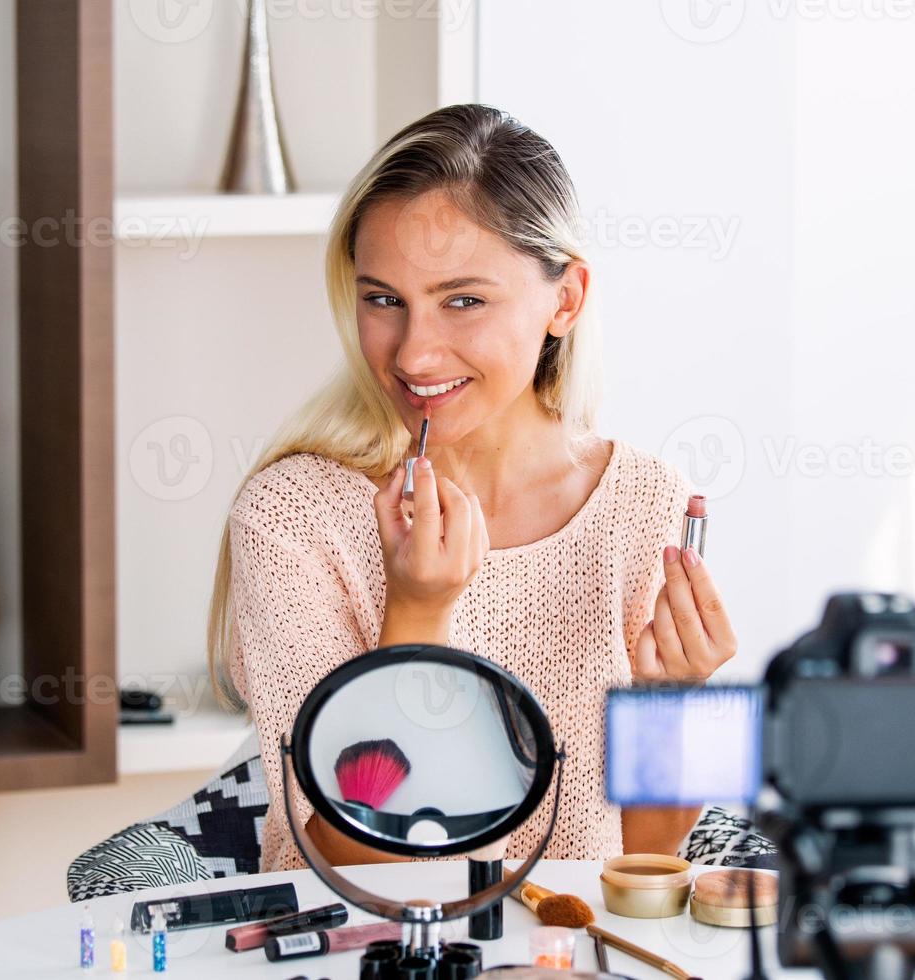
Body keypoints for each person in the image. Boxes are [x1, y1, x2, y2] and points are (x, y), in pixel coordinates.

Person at [206, 104, 737, 871]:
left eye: (463, 300)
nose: (415, 353)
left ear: (566, 300)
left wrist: (679, 707)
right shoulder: (293, 516)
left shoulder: (646, 502)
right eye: (384, 298)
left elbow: (642, 862)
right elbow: (357, 864)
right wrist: (418, 612)